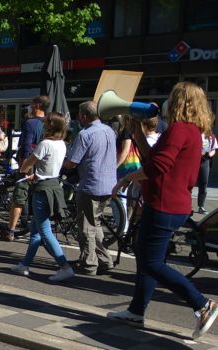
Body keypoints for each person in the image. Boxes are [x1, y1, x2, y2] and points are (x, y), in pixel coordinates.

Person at [107, 82, 217, 339]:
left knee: (152, 263)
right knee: (145, 260)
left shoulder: (178, 129)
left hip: (164, 204)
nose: (166, 103)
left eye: (171, 98)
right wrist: (136, 133)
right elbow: (153, 157)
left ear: (180, 101)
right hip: (170, 204)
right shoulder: (191, 130)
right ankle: (136, 312)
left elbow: (159, 166)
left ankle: (202, 304)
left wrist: (125, 179)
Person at [10, 112, 75, 281]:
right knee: (35, 230)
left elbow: (26, 165)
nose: (43, 125)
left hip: (42, 189)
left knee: (45, 231)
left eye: (46, 123)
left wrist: (27, 170)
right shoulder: (62, 144)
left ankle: (64, 266)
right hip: (53, 185)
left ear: (50, 126)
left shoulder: (45, 144)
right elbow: (50, 168)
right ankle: (25, 264)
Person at [63, 101, 118, 276]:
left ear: (84, 116)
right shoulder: (109, 130)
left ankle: (89, 263)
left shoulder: (85, 134)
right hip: (109, 184)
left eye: (80, 114)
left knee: (86, 226)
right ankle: (105, 260)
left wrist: (62, 163)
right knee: (96, 224)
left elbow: (72, 162)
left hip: (90, 185)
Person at [0, 96, 47, 241]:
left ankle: (10, 231)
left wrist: (23, 166)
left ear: (37, 105)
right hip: (47, 165)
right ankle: (41, 230)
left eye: (32, 104)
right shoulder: (51, 121)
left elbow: (26, 146)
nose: (30, 107)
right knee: (41, 197)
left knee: (19, 196)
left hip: (31, 163)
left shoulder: (30, 123)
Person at [197, 129, 217, 214]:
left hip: (205, 161)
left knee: (204, 183)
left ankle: (201, 206)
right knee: (190, 182)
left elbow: (214, 149)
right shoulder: (195, 133)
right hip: (194, 160)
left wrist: (208, 155)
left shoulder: (211, 136)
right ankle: (187, 206)